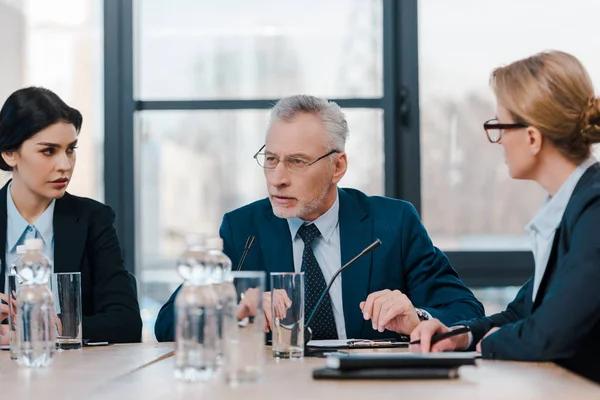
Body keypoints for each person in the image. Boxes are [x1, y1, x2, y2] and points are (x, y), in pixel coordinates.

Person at [155, 94, 483, 342]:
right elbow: (168, 325)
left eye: (296, 162)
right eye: (271, 159)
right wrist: (236, 306)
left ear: (337, 166)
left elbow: (465, 311)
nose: (277, 178)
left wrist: (418, 317)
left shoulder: (393, 222)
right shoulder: (243, 229)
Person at [410, 51, 600, 383]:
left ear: (532, 137)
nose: (497, 141)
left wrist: (489, 344)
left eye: (500, 126)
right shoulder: (569, 204)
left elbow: (549, 333)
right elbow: (522, 313)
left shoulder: (594, 209)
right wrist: (460, 336)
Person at [0, 87, 142, 344]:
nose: (65, 165)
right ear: (10, 153)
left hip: (73, 376)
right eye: (48, 151)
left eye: (70, 149)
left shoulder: (94, 219)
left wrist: (49, 328)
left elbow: (127, 323)